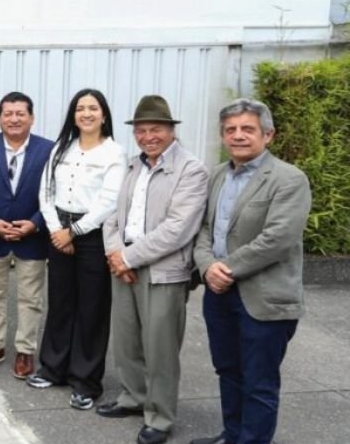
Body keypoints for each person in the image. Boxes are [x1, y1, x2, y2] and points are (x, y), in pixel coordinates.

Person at [191, 98, 311, 444]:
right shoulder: (216, 175)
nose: (238, 136)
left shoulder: (289, 179)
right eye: (231, 130)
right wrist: (207, 266)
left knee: (259, 382)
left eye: (247, 129)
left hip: (265, 299)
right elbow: (203, 229)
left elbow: (279, 238)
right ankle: (233, 435)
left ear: (268, 135)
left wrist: (224, 267)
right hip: (220, 295)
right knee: (228, 372)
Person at [98, 96, 208, 444]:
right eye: (142, 130)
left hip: (162, 271)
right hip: (124, 264)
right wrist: (116, 254)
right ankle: (133, 397)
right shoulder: (133, 166)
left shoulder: (191, 169)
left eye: (156, 129)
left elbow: (178, 228)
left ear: (171, 130)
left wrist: (129, 259)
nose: (148, 136)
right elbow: (113, 217)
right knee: (127, 341)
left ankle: (160, 417)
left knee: (160, 348)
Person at [28, 89, 125, 411]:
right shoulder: (61, 148)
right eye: (80, 108)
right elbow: (46, 191)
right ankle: (53, 368)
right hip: (59, 230)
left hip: (92, 235)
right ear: (73, 115)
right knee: (61, 302)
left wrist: (74, 232)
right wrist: (57, 230)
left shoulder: (114, 153)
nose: (86, 114)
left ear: (104, 114)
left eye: (92, 108)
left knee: (92, 309)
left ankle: (86, 381)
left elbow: (108, 201)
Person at [0, 92, 53, 380]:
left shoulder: (49, 150)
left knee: (30, 297)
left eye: (20, 113)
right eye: (8, 113)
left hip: (33, 237)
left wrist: (35, 223)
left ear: (31, 117)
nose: (14, 119)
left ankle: (24, 350)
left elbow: (53, 195)